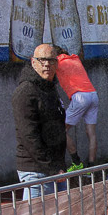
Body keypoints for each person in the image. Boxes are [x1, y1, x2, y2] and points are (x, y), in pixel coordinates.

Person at [12, 43, 66, 201]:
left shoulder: (50, 88)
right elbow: (30, 137)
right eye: (42, 60)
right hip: (36, 171)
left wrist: (59, 166)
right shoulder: (25, 92)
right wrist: (52, 168)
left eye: (51, 60)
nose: (47, 64)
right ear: (33, 62)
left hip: (56, 168)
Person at [54, 47, 98, 169]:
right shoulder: (74, 59)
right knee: (91, 133)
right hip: (93, 94)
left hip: (80, 96)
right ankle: (92, 167)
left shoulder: (57, 61)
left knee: (60, 130)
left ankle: (77, 162)